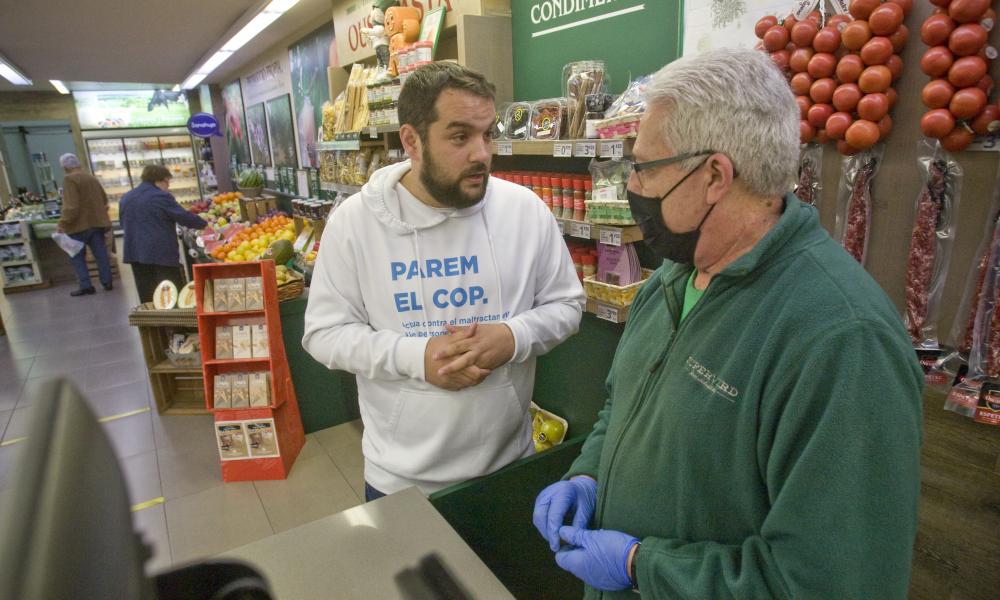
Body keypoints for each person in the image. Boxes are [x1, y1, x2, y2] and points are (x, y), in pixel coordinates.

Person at [532, 48, 923, 599]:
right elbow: (623, 406)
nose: (631, 187)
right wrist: (589, 474)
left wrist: (643, 565)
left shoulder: (841, 341)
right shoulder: (674, 277)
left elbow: (831, 583)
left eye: (643, 168)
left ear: (714, 175)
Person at [303, 62, 585, 500]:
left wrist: (514, 336)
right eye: (460, 137)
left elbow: (567, 305)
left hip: (510, 464)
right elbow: (324, 334)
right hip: (400, 481)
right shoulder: (353, 224)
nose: (482, 153)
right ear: (411, 141)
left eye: (487, 133)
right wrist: (416, 357)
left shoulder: (525, 212)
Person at [118, 165, 207, 303]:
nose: (168, 186)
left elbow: (123, 222)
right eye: (168, 182)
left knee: (147, 293)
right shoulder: (160, 196)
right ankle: (174, 323)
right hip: (160, 253)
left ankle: (152, 322)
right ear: (160, 180)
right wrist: (204, 224)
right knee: (169, 292)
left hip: (135, 252)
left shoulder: (126, 197)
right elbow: (183, 216)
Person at [57, 153, 114, 296]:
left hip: (78, 226)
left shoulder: (69, 179)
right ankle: (107, 282)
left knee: (77, 256)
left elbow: (71, 206)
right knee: (101, 254)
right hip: (96, 224)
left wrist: (62, 223)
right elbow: (104, 199)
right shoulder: (91, 178)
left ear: (65, 167)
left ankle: (86, 285)